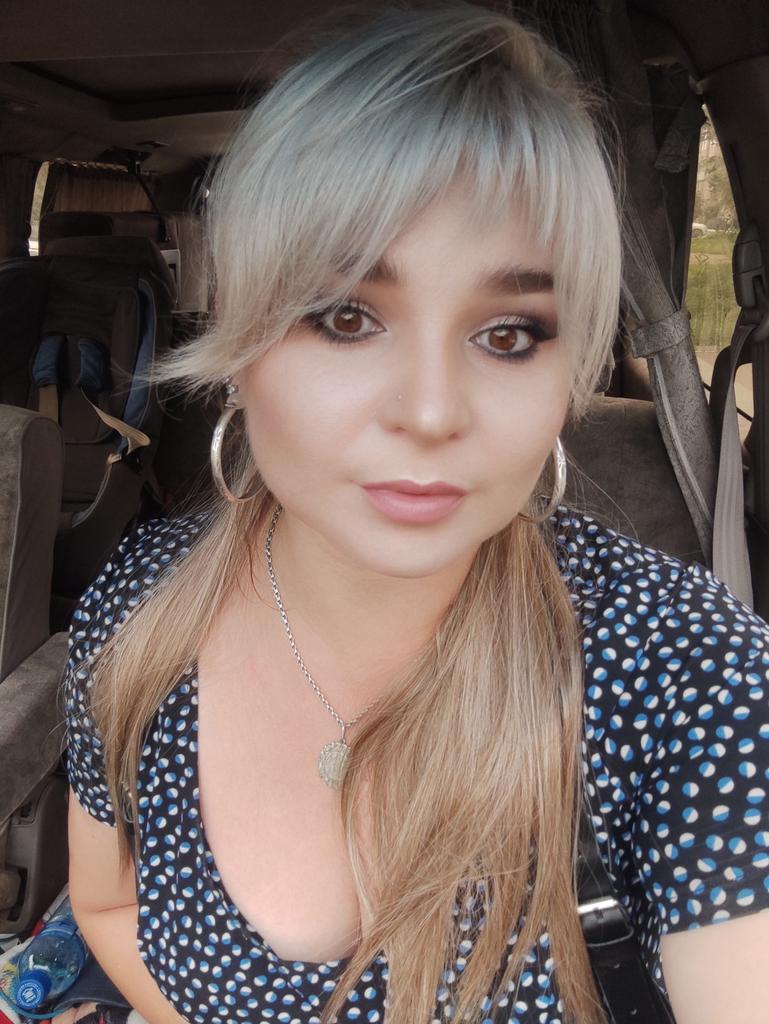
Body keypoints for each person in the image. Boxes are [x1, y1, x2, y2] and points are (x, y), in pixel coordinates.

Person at [60, 2, 769, 1023]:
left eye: (509, 334)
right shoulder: (136, 613)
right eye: (346, 316)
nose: (432, 412)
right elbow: (108, 901)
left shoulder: (686, 670)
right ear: (238, 347)